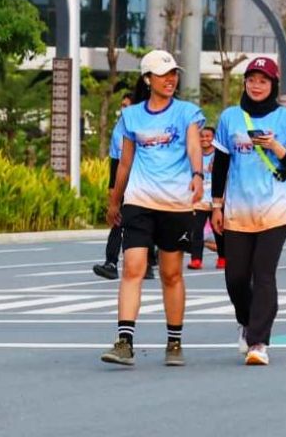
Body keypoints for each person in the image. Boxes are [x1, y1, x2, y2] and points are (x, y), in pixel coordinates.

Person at [100, 50, 205, 368]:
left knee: (172, 274)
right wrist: (115, 200)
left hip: (175, 203)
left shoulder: (187, 112)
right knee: (133, 267)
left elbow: (193, 145)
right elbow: (125, 161)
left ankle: (174, 342)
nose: (170, 79)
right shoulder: (131, 116)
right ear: (148, 79)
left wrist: (198, 174)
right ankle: (124, 342)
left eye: (174, 73)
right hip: (139, 201)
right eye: (163, 74)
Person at [210, 57, 286, 366]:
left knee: (263, 274)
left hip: (274, 209)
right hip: (237, 208)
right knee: (235, 277)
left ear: (273, 85)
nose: (256, 85)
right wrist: (216, 205)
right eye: (252, 79)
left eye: (263, 80)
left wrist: (276, 146)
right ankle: (246, 320)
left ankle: (259, 342)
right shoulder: (229, 117)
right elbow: (221, 164)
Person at [94, 92, 137, 281]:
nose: (124, 109)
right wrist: (113, 188)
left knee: (145, 226)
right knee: (118, 222)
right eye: (123, 105)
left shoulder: (144, 125)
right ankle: (111, 263)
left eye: (128, 106)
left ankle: (150, 261)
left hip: (146, 184)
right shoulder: (118, 129)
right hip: (124, 183)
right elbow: (115, 160)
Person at [188, 126, 220, 270]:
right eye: (202, 136)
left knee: (219, 230)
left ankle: (223, 257)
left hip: (216, 200)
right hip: (198, 200)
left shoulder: (220, 156)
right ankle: (196, 259)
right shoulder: (194, 156)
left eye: (208, 136)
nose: (205, 139)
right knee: (196, 231)